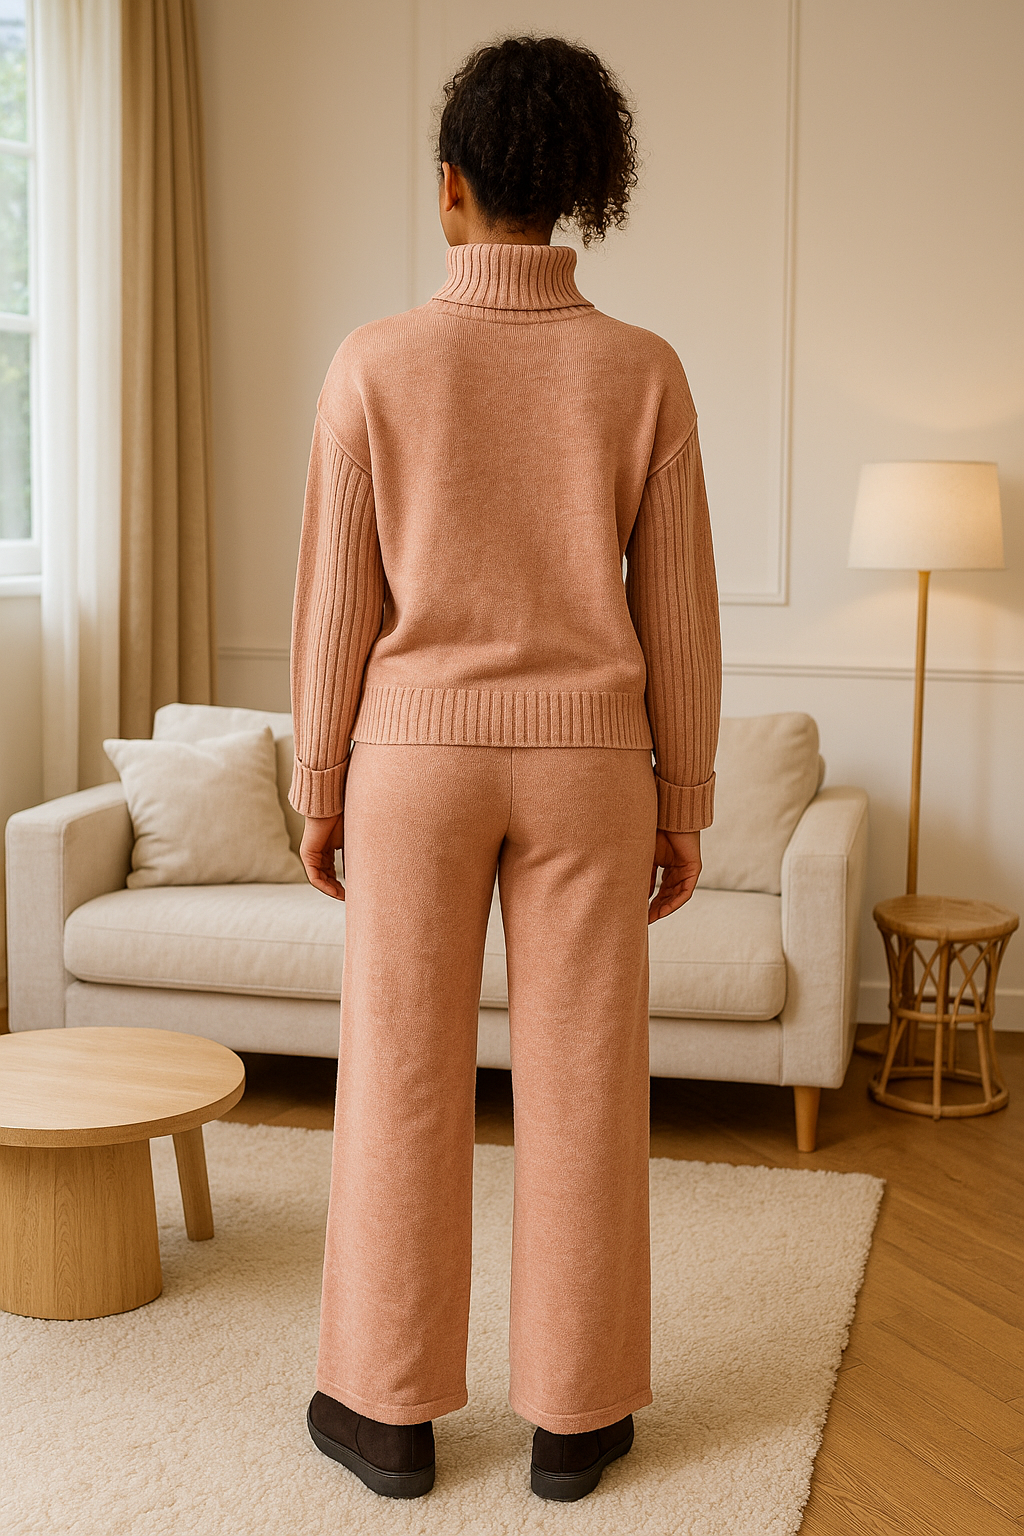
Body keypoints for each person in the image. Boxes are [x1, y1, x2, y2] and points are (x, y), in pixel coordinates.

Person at [288, 33, 722, 1503]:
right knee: (587, 1084)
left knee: (401, 1079)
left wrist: (321, 787)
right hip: (593, 770)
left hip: (411, 762)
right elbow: (679, 614)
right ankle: (578, 1419)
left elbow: (338, 606)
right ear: (580, 191)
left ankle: (386, 1415)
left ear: (452, 187)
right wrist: (687, 801)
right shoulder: (642, 371)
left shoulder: (374, 363)